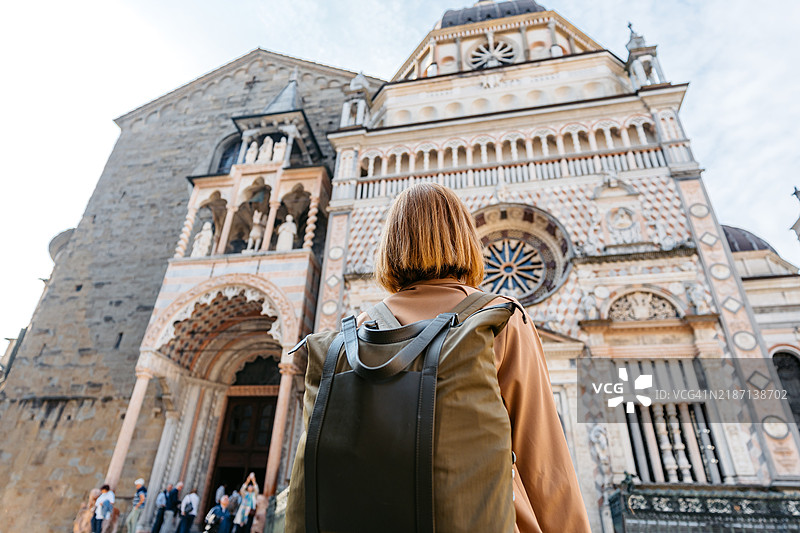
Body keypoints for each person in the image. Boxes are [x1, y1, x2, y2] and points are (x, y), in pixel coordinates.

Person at [287, 183, 590, 532]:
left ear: (390, 244)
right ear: (464, 239)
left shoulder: (351, 334)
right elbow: (545, 463)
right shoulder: (499, 318)